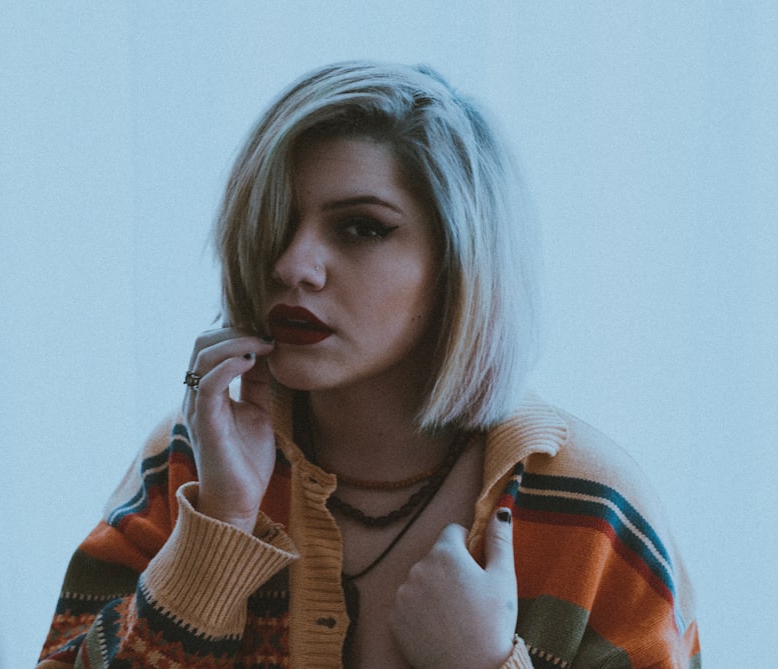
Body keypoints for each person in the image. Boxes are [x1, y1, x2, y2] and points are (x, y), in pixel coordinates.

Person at [37, 61, 700, 669]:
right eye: (277, 222)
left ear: (459, 264)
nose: (291, 265)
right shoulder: (191, 462)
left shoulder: (591, 508)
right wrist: (216, 531)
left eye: (360, 227)